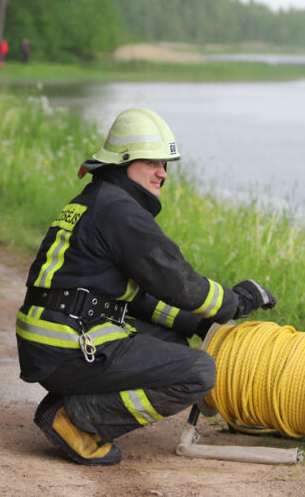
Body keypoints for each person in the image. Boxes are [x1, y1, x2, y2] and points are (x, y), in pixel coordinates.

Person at [16, 107, 277, 466]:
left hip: (55, 338)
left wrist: (197, 324)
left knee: (171, 343)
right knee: (196, 372)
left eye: (166, 165)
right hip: (68, 344)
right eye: (152, 162)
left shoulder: (97, 200)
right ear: (124, 162)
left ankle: (72, 401)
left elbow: (138, 298)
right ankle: (78, 419)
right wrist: (236, 302)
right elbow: (180, 284)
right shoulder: (121, 213)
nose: (162, 173)